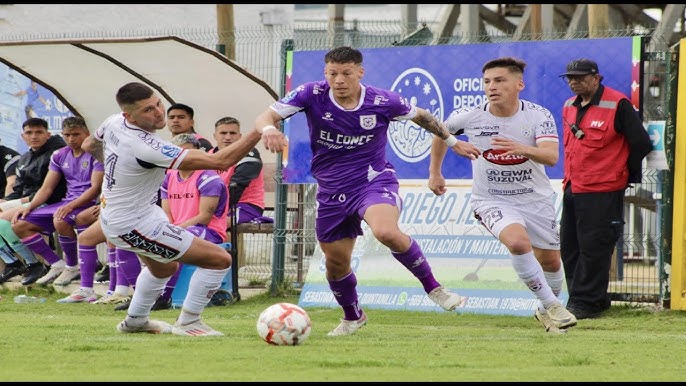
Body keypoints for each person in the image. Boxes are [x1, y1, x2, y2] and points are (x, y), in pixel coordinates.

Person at [254, 46, 480, 337]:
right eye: (332, 73)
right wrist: (268, 130)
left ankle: (434, 288)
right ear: (325, 73)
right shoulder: (311, 93)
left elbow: (421, 116)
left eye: (346, 73)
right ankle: (353, 317)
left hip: (373, 181)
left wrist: (451, 141)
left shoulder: (382, 100)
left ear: (360, 72)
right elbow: (265, 116)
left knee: (386, 231)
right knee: (336, 265)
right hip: (332, 190)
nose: (338, 80)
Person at [82, 81, 285, 336]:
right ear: (128, 115)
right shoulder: (146, 147)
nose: (158, 113)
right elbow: (221, 160)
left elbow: (90, 145)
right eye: (147, 110)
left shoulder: (113, 122)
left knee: (164, 268)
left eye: (158, 104)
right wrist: (260, 128)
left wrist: (117, 173)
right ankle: (189, 322)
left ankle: (135, 322)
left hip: (129, 215)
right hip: (133, 223)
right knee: (219, 260)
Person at [429, 57, 577, 334]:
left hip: (535, 198)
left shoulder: (537, 115)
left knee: (551, 261)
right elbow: (439, 133)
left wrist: (522, 148)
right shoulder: (470, 115)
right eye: (487, 81)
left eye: (499, 80)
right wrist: (435, 173)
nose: (491, 87)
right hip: (492, 199)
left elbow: (551, 156)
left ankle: (544, 311)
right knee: (519, 243)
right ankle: (554, 306)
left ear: (519, 84)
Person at [558, 58, 653, 320]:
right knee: (570, 247)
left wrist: (621, 172)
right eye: (570, 78)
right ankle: (590, 299)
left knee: (594, 246)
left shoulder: (617, 103)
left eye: (580, 77)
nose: (574, 82)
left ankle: (584, 302)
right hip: (573, 185)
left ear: (596, 78)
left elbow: (641, 143)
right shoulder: (568, 106)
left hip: (603, 188)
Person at [10, 116, 104, 286]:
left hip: (89, 203)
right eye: (67, 135)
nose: (71, 139)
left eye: (76, 134)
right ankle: (57, 264)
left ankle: (73, 266)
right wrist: (29, 207)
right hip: (67, 203)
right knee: (20, 224)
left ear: (87, 133)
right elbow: (46, 189)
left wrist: (70, 206)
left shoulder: (95, 154)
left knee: (60, 220)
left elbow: (95, 188)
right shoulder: (60, 155)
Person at [0, 117, 66, 285]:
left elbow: (48, 191)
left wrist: (12, 204)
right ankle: (14, 263)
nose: (34, 136)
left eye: (39, 132)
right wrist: (6, 201)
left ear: (48, 134)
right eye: (29, 133)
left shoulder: (55, 154)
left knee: (2, 221)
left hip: (50, 202)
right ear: (23, 136)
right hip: (29, 200)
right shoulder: (26, 158)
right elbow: (18, 189)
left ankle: (33, 264)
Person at [212, 116, 266, 228]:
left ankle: (223, 246)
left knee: (215, 224)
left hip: (246, 205)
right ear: (215, 136)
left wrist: (212, 209)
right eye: (223, 133)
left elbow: (237, 187)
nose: (228, 137)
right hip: (216, 204)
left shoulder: (249, 153)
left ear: (240, 136)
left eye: (232, 133)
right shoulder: (209, 155)